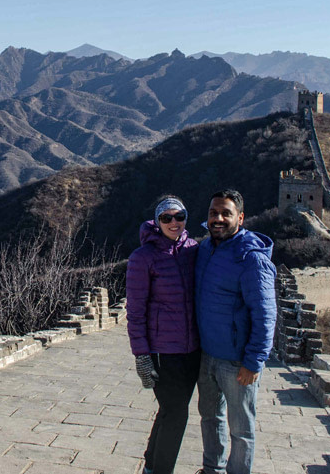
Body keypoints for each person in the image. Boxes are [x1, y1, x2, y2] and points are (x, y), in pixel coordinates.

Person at [195, 189, 277, 474]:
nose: (218, 219)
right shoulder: (205, 248)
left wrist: (254, 361)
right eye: (213, 213)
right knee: (210, 419)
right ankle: (211, 469)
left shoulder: (251, 258)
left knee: (241, 428)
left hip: (237, 361)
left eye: (225, 214)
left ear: (240, 218)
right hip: (206, 355)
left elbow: (265, 314)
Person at [126, 195, 200, 474]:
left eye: (178, 216)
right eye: (166, 218)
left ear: (186, 219)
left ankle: (151, 466)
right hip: (162, 352)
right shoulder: (142, 257)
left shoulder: (193, 250)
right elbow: (135, 312)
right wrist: (141, 355)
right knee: (178, 413)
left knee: (170, 411)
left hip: (192, 351)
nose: (173, 222)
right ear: (157, 222)